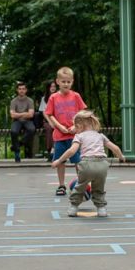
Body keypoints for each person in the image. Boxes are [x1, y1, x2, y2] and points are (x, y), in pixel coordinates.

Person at [51, 110, 125, 217]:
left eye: (75, 127)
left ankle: (73, 207)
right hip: (102, 165)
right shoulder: (100, 136)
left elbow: (71, 151)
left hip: (86, 164)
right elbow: (115, 148)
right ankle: (101, 209)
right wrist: (121, 157)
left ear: (80, 126)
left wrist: (59, 161)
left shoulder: (79, 136)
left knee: (80, 187)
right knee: (99, 188)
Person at [44, 67, 87, 196]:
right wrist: (58, 126)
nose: (66, 84)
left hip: (75, 136)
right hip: (59, 135)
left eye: (68, 82)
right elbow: (50, 114)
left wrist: (76, 126)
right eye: (63, 81)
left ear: (72, 81)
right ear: (58, 81)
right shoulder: (53, 97)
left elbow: (83, 113)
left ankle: (80, 184)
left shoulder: (76, 96)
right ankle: (61, 185)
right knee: (60, 161)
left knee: (78, 161)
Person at [9, 82, 36, 162]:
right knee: (13, 131)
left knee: (32, 130)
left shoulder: (30, 100)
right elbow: (12, 115)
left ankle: (18, 144)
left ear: (26, 90)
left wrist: (18, 114)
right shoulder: (13, 101)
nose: (21, 91)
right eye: (20, 89)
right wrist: (24, 114)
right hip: (16, 121)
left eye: (23, 89)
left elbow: (31, 115)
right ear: (17, 90)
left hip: (27, 121)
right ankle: (17, 153)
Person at [37, 80, 57, 158]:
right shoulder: (44, 98)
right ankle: (50, 149)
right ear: (48, 88)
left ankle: (55, 149)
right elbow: (44, 112)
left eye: (54, 86)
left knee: (58, 128)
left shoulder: (59, 96)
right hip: (47, 120)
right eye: (51, 86)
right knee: (49, 128)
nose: (53, 88)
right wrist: (50, 121)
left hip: (57, 120)